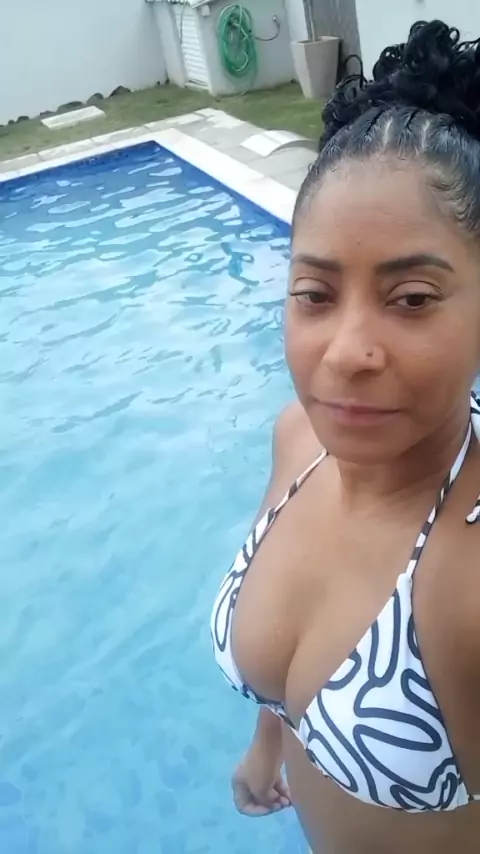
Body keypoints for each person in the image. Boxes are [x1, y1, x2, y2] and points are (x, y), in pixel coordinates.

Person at [211, 19, 480, 854]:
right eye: (315, 295)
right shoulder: (299, 440)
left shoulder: (465, 587)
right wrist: (269, 742)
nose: (347, 353)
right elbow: (290, 673)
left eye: (411, 299)